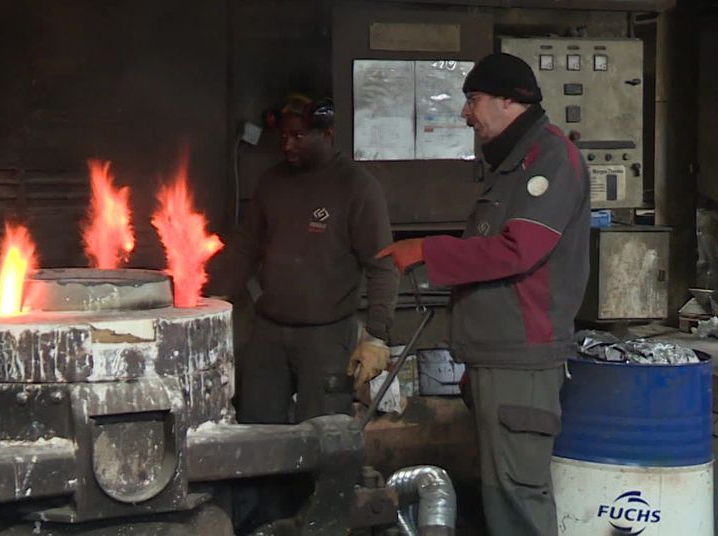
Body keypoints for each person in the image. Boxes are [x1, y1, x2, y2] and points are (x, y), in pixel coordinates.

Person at [378, 53, 590, 536]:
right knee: (501, 495)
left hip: (523, 357)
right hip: (497, 354)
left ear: (510, 101)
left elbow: (519, 249)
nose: (465, 113)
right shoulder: (513, 163)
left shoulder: (553, 159)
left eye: (473, 100)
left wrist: (428, 249)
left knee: (517, 497)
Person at [212, 93, 399, 425]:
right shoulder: (273, 183)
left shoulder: (356, 187)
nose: (287, 145)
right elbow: (245, 247)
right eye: (284, 135)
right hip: (268, 332)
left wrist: (376, 336)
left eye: (298, 136)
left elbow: (383, 264)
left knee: (325, 434)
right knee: (257, 428)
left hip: (326, 337)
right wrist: (211, 294)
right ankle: (268, 481)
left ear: (327, 134)